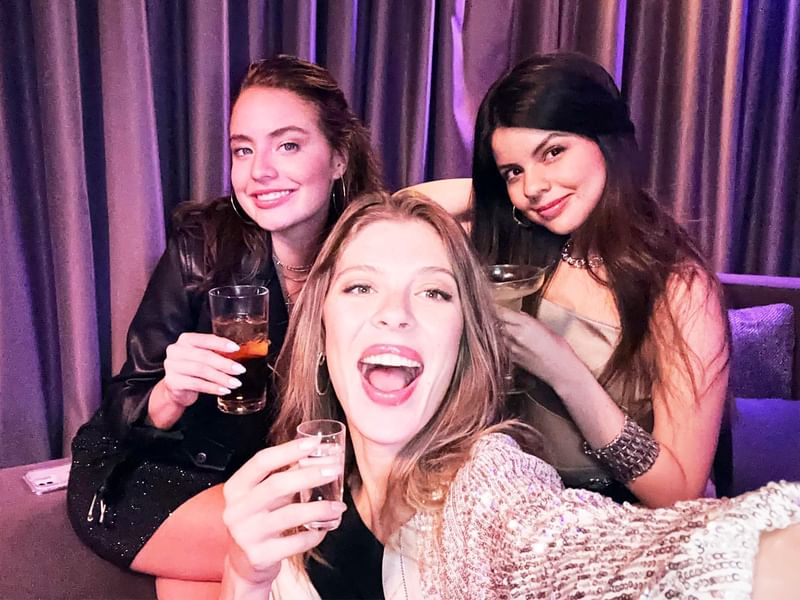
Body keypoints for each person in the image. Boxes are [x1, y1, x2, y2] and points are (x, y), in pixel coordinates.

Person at [210, 190, 799, 599]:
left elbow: (590, 552)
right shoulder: (302, 478)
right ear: (320, 330)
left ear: (464, 347)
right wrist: (245, 574)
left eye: (435, 294)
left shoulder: (487, 488)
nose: (395, 315)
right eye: (362, 286)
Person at [66, 55, 384, 585]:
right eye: (243, 149)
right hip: (159, 471)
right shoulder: (203, 246)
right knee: (321, 552)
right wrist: (172, 391)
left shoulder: (373, 254)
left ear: (339, 157)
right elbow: (126, 403)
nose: (259, 171)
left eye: (287, 144)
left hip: (267, 479)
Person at [465, 52, 731, 507]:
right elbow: (407, 206)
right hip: (521, 515)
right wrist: (490, 195)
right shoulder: (523, 254)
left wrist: (564, 371)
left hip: (626, 534)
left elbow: (678, 492)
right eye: (514, 171)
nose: (532, 187)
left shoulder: (678, 286)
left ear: (606, 140)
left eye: (552, 152)